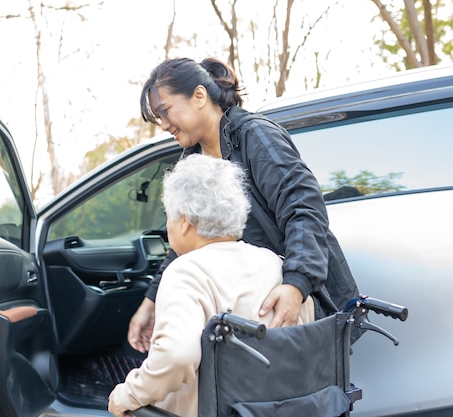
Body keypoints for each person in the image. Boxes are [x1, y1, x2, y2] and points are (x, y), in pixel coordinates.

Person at [128, 57, 361, 354]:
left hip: (295, 300)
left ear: (199, 96)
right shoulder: (193, 160)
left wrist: (296, 284)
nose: (163, 124)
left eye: (165, 111)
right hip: (249, 310)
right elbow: (187, 240)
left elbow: (303, 209)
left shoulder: (255, 136)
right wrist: (151, 301)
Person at [108, 154, 315, 417]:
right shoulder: (275, 263)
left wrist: (127, 394)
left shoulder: (185, 271)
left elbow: (176, 357)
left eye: (168, 215)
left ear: (184, 221)